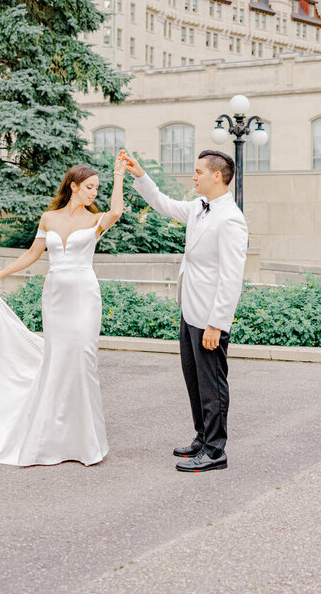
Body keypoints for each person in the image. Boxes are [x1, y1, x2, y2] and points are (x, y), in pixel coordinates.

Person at [0, 158, 127, 466]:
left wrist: (119, 175)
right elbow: (33, 253)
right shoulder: (49, 218)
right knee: (56, 360)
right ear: (73, 186)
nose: (95, 193)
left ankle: (85, 443)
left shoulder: (96, 220)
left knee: (83, 358)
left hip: (84, 295)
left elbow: (117, 211)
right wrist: (1, 274)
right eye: (90, 187)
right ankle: (48, 437)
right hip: (55, 296)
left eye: (97, 188)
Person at [119, 148, 248, 473]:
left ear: (216, 176)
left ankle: (216, 451)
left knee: (212, 383)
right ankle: (202, 437)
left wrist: (217, 324)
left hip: (209, 318)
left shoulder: (231, 219)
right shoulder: (196, 208)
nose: (193, 177)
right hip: (189, 310)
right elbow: (162, 203)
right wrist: (139, 174)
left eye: (198, 172)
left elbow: (231, 279)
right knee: (194, 380)